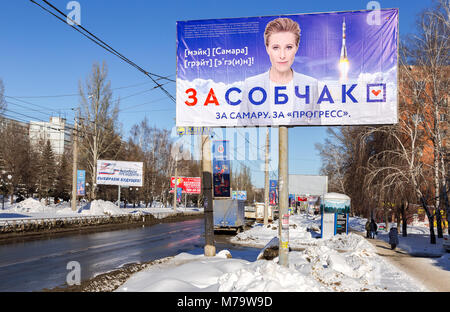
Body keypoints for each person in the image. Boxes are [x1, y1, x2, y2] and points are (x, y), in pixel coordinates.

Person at [241, 17, 319, 125]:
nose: (282, 56)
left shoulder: (310, 84)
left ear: (296, 48)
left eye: (288, 47)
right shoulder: (251, 84)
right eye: (276, 48)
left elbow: (315, 128)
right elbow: (242, 127)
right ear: (267, 48)